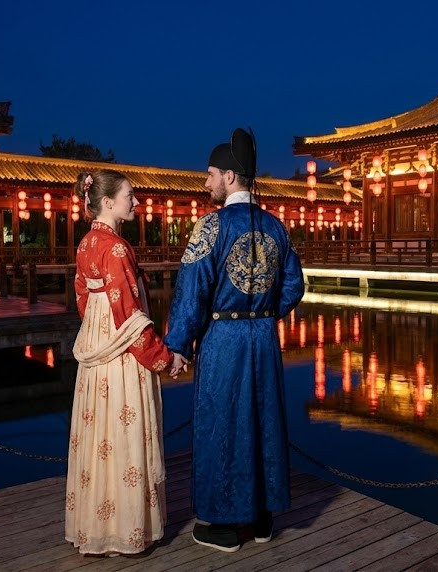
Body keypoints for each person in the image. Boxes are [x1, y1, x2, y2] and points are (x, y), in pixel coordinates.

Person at [165, 127, 305, 552]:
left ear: (229, 177)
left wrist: (178, 343)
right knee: (262, 419)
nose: (205, 182)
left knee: (223, 423)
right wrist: (263, 316)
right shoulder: (276, 227)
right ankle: (262, 518)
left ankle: (225, 526)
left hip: (224, 338)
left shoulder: (210, 227)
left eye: (210, 174)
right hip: (262, 337)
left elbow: (192, 292)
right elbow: (294, 286)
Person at [65, 169, 187, 556]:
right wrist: (165, 358)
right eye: (129, 196)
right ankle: (128, 527)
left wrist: (99, 329)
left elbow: (84, 299)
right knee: (123, 432)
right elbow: (131, 316)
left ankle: (96, 527)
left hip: (96, 349)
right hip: (120, 356)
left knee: (99, 434)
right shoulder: (116, 248)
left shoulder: (86, 244)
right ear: (107, 202)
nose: (136, 202)